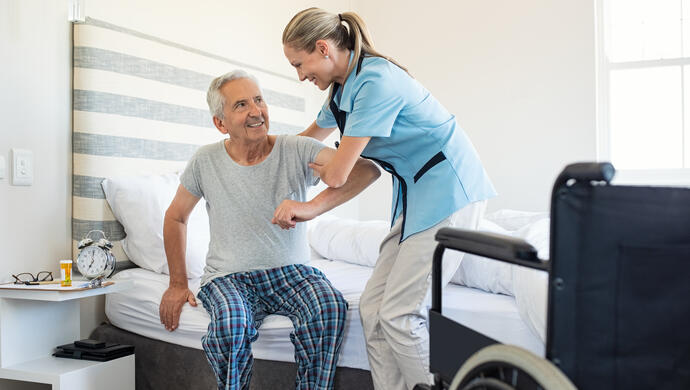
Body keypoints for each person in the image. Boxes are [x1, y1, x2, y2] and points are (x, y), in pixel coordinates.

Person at [282, 8, 497, 390]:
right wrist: (259, 153)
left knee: (399, 314)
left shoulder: (375, 81)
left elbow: (338, 173)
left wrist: (308, 205)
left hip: (450, 190)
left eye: (300, 64)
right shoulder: (342, 89)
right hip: (417, 197)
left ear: (322, 49)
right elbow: (304, 141)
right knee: (371, 310)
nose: (300, 75)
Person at [158, 70, 380, 390]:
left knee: (328, 307)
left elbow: (366, 171)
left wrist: (310, 207)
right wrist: (178, 283)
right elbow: (176, 217)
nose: (256, 111)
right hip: (228, 277)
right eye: (241, 105)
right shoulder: (205, 161)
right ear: (221, 123)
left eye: (259, 100)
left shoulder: (296, 148)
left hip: (292, 273)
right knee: (232, 325)